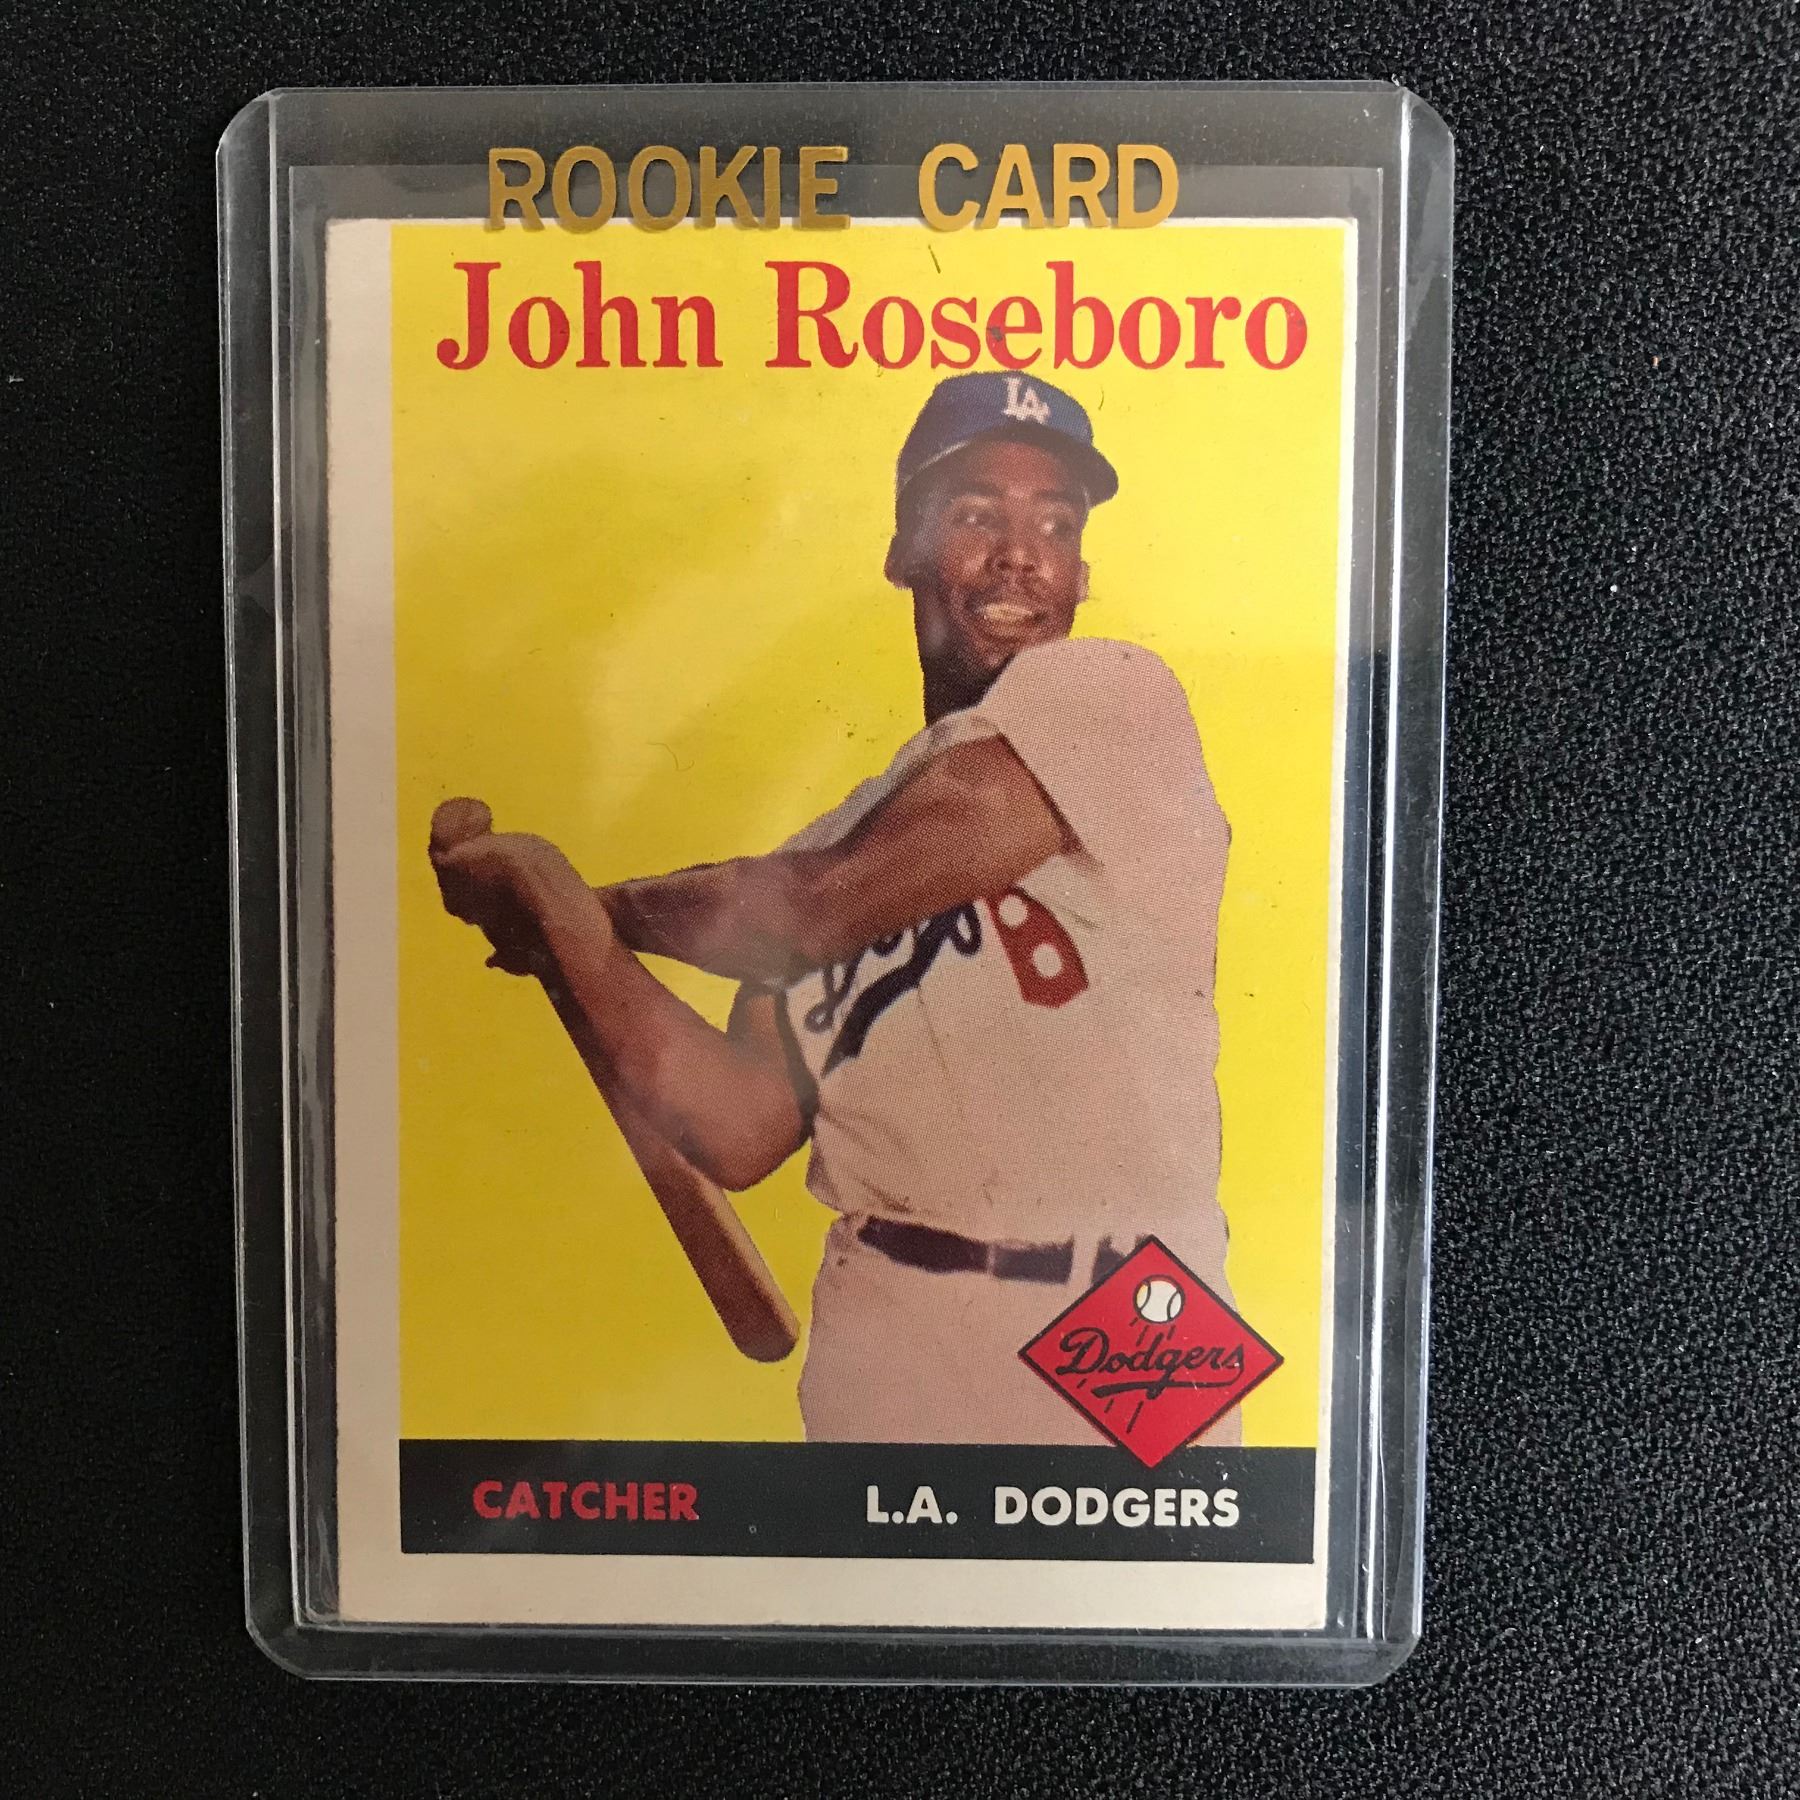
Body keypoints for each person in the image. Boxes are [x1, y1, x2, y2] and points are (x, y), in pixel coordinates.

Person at [433, 371, 1234, 1446]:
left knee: (1176, 1561)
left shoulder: (1115, 698)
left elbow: (809, 913)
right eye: (975, 514)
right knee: (879, 1564)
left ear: (1082, 572)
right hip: (896, 1322)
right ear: (904, 550)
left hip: (1135, 1308)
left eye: (1056, 523)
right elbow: (737, 1127)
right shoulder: (832, 842)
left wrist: (572, 901)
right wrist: (561, 934)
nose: (1020, 553)